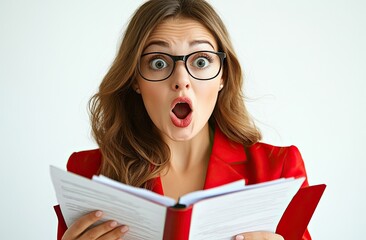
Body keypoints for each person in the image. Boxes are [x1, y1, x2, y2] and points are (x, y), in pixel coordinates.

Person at [54, 0, 311, 239]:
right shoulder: (86, 173)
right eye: (158, 63)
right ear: (135, 80)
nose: (181, 80)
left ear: (223, 76)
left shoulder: (279, 171)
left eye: (201, 61)